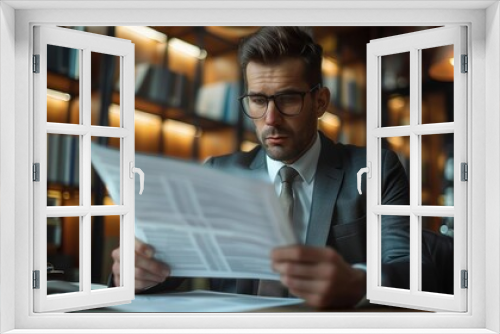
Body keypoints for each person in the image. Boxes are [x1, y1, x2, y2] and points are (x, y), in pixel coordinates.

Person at [111, 26, 437, 309]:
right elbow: (169, 268)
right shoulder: (217, 173)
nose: (270, 119)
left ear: (320, 101)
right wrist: (138, 274)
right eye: (258, 100)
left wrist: (359, 282)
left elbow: (407, 265)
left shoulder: (372, 169)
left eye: (288, 99)